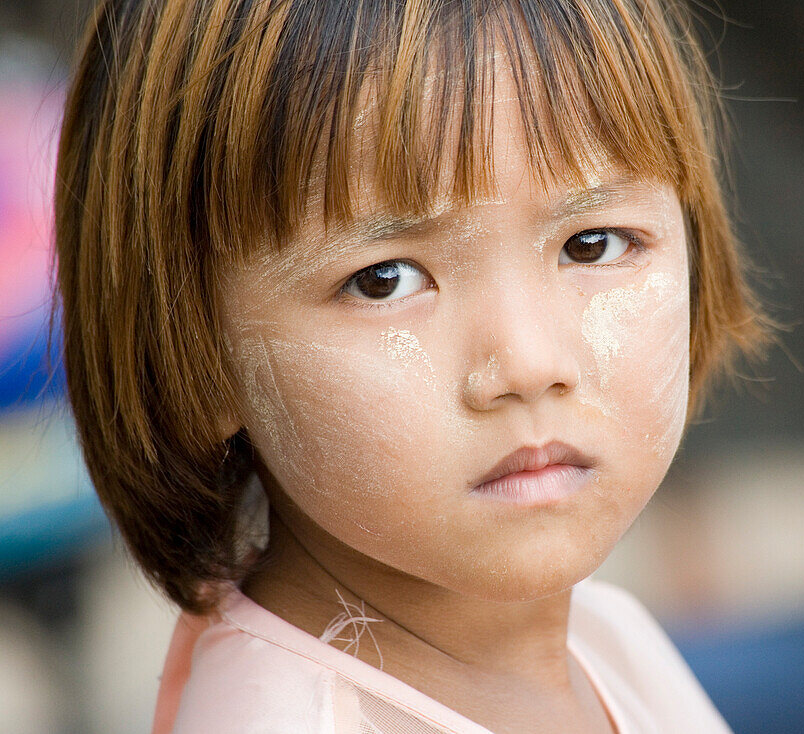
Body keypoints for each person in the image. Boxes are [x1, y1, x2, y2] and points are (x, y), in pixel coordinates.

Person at [53, 0, 767, 731]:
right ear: (194, 360)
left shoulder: (609, 638)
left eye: (593, 244)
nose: (528, 363)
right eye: (383, 279)